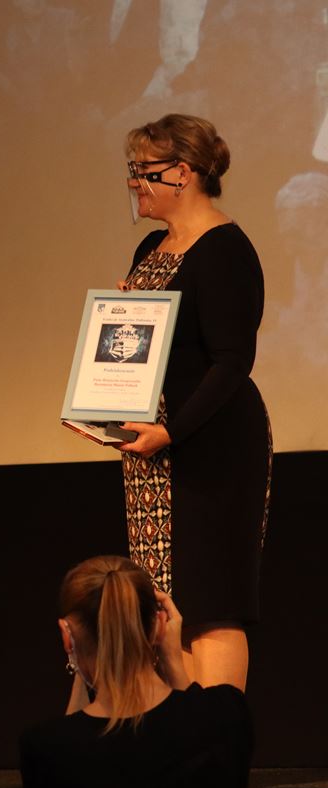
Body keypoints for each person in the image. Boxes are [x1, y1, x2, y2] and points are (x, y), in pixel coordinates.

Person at [114, 114, 271, 691]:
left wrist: (172, 432)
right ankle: (185, 734)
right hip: (156, 453)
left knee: (212, 603)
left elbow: (232, 361)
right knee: (167, 605)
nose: (134, 182)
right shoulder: (151, 247)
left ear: (182, 173)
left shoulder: (225, 249)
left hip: (210, 447)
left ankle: (218, 734)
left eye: (143, 170)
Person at [19, 556, 252, 788]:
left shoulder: (45, 750)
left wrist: (79, 655)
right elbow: (201, 733)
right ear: (160, 625)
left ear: (67, 637)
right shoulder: (228, 717)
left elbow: (66, 749)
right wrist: (173, 662)